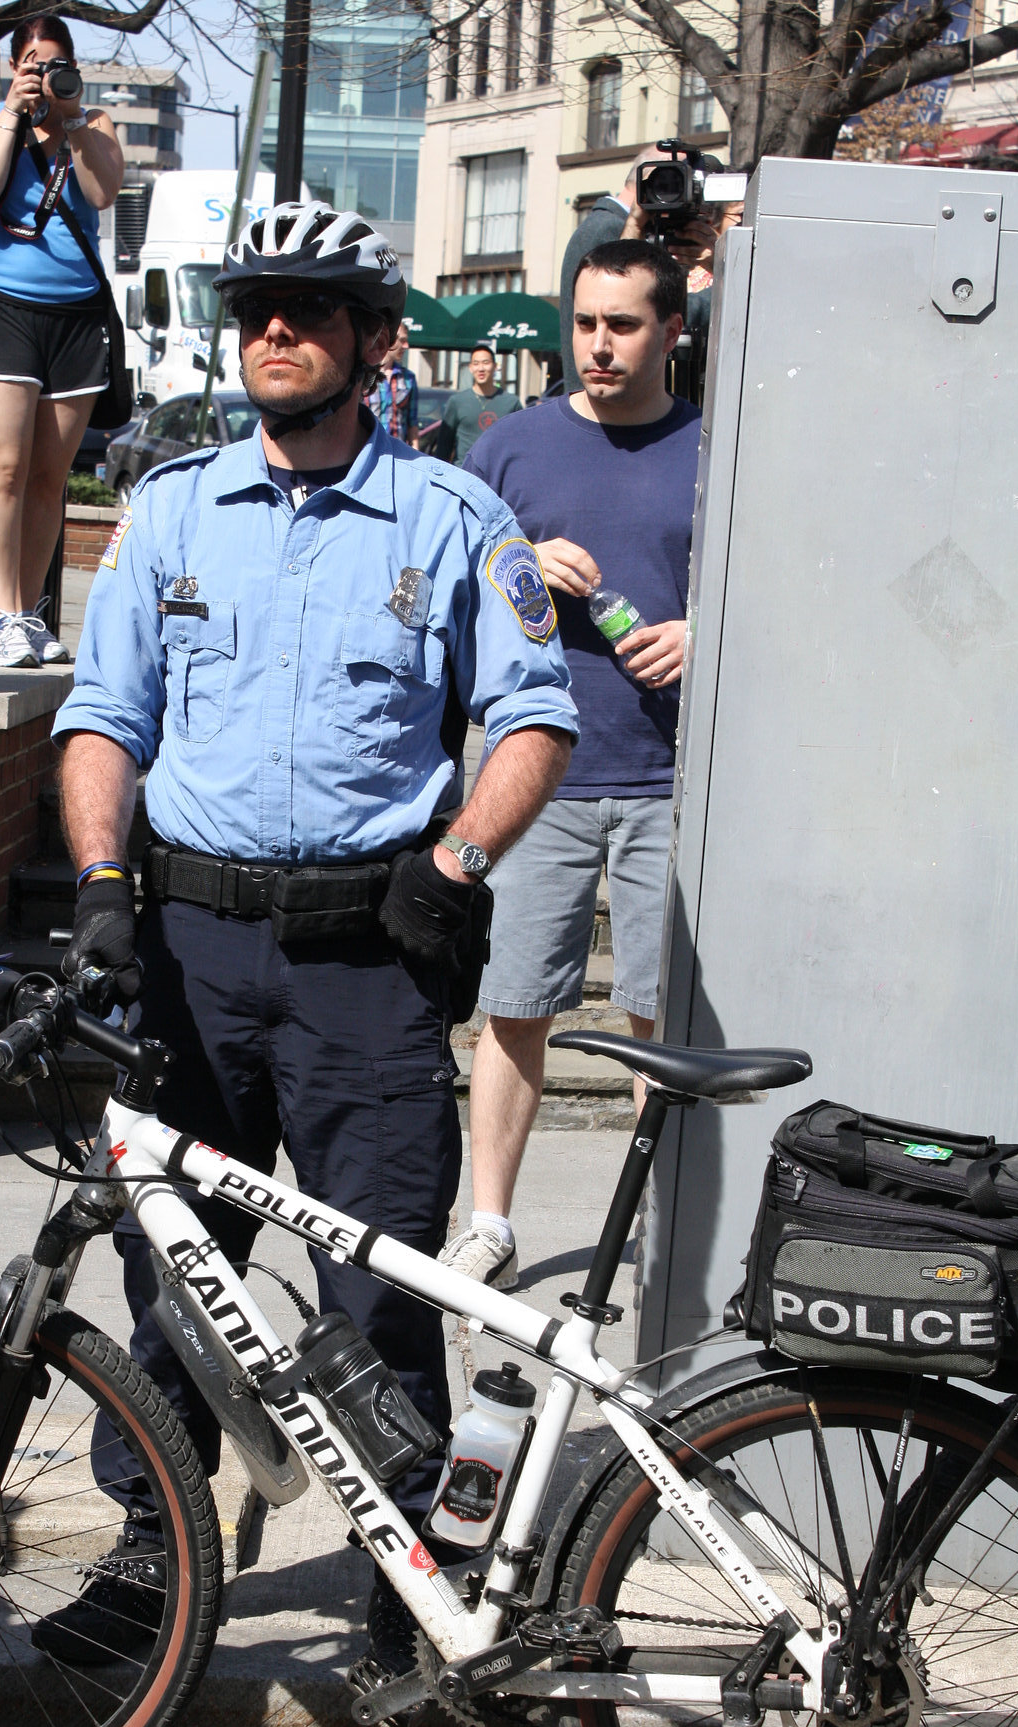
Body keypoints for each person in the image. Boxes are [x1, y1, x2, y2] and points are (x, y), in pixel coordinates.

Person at [42, 199, 578, 1673]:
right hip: (191, 955)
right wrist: (98, 883)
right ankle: (155, 1557)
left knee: (383, 1290)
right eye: (255, 303)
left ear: (372, 340)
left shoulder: (453, 518)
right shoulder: (167, 509)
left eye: (308, 307)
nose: (272, 327)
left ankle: (409, 1585)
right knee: (172, 1282)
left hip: (362, 969)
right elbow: (105, 719)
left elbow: (535, 716)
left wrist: (460, 861)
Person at [441, 239, 699, 1291]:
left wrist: (701, 633)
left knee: (658, 1021)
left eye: (623, 324)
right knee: (512, 1006)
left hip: (674, 778)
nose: (597, 345)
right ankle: (489, 1222)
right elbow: (441, 589)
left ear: (672, 330)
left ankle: (661, 1237)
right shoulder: (511, 448)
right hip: (532, 774)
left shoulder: (717, 448)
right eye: (584, 322)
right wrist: (516, 564)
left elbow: (782, 585)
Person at [0, 14, 124, 669]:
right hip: (3, 309)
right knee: (4, 468)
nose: (44, 75)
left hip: (76, 317)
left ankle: (29, 611)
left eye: (55, 64)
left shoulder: (94, 124)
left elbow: (102, 191)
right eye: (32, 63)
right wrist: (11, 116)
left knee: (51, 477)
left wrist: (75, 118)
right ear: (13, 67)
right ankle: (2, 616)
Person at [557, 143, 719, 398]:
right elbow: (630, 309)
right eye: (678, 182)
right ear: (653, 179)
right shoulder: (607, 228)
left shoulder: (624, 226)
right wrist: (723, 277)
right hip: (606, 404)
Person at [432, 343, 521, 464]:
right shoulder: (457, 401)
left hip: (497, 473)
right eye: (476, 363)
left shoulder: (511, 403)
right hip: (464, 473)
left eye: (486, 363)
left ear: (495, 366)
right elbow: (444, 445)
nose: (481, 368)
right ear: (470, 367)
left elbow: (520, 442)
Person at [366, 330, 419, 445]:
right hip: (368, 448)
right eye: (402, 340)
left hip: (397, 452)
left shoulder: (408, 378)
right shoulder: (366, 375)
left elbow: (412, 424)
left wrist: (417, 454)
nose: (406, 346)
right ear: (388, 340)